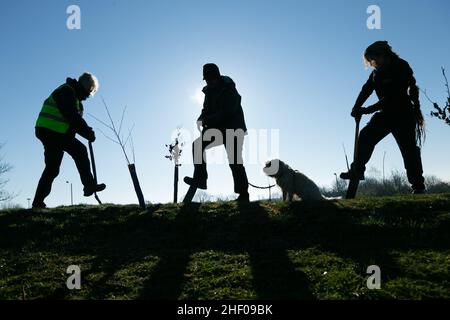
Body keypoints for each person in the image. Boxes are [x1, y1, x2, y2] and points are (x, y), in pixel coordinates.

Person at [340, 41, 426, 194]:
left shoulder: (400, 66)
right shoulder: (376, 73)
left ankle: (418, 186)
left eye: (374, 59)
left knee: (409, 151)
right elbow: (366, 89)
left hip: (403, 114)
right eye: (371, 60)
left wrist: (367, 110)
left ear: (383, 55)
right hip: (386, 115)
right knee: (366, 136)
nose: (373, 63)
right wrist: (356, 106)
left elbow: (393, 97)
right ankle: (357, 170)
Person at [32, 73, 106, 209]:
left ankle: (37, 203)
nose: (89, 95)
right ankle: (89, 185)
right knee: (78, 151)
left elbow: (73, 124)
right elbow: (71, 116)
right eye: (90, 90)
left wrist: (87, 132)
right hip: (50, 131)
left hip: (57, 133)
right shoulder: (67, 91)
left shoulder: (76, 99)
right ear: (84, 85)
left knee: (53, 168)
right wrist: (87, 132)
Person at [184, 63, 250, 202]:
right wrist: (201, 119)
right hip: (219, 129)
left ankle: (243, 194)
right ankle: (201, 179)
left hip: (234, 129)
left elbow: (227, 112)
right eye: (207, 79)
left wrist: (208, 120)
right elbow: (205, 110)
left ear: (218, 76)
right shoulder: (208, 92)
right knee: (198, 145)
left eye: (211, 78)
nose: (209, 81)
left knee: (235, 161)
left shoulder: (229, 88)